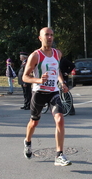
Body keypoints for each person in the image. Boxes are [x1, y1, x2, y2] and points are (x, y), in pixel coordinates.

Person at [22, 27, 71, 166]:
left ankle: (59, 155)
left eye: (51, 35)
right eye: (46, 35)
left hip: (53, 92)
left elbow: (57, 70)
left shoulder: (58, 54)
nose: (49, 37)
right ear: (40, 38)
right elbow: (25, 77)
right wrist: (38, 80)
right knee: (34, 122)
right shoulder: (35, 55)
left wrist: (62, 83)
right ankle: (27, 141)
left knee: (60, 119)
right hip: (39, 93)